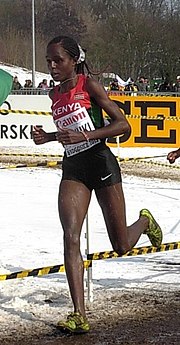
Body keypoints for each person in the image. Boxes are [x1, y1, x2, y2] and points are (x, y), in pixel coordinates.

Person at [32, 35, 162, 334]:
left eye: (58, 61)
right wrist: (48, 137)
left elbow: (123, 126)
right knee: (70, 236)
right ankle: (79, 314)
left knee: (121, 245)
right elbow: (69, 130)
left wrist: (87, 137)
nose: (52, 66)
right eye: (48, 61)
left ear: (74, 60)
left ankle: (144, 221)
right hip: (74, 168)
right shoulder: (54, 94)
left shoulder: (89, 85)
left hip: (101, 163)